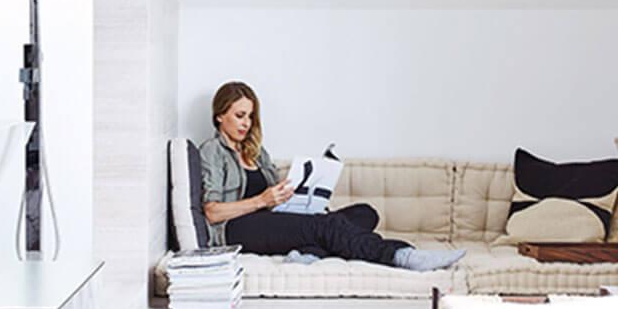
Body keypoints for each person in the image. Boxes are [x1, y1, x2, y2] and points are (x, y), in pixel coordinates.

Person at [199, 81, 466, 271]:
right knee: (328, 226)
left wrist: (294, 193)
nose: (246, 123)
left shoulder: (256, 151)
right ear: (220, 115)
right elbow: (211, 212)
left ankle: (308, 253)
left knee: (365, 213)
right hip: (237, 229)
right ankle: (402, 255)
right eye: (240, 115)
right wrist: (261, 200)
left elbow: (274, 198)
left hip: (269, 219)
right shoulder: (212, 151)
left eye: (251, 117)